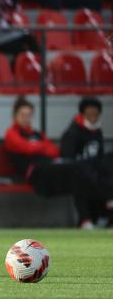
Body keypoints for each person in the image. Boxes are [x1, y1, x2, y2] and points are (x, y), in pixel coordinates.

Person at [4, 96, 112, 228]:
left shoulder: (36, 133)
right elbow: (25, 147)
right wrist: (40, 147)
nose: (26, 118)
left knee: (80, 172)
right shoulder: (11, 133)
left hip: (50, 167)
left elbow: (54, 151)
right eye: (22, 115)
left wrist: (37, 147)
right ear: (15, 115)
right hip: (35, 173)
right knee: (77, 170)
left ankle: (88, 219)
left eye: (29, 115)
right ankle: (104, 203)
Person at [60, 97, 108, 229]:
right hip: (75, 173)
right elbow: (67, 157)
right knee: (83, 179)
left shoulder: (97, 132)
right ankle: (85, 219)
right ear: (82, 114)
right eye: (89, 115)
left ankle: (104, 217)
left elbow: (101, 156)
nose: (93, 118)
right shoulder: (72, 132)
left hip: (94, 171)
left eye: (95, 115)